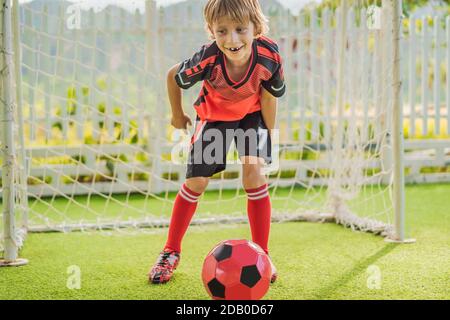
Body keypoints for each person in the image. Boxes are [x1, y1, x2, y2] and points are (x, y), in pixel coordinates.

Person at [149, 0, 286, 285]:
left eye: (240, 29)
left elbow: (269, 96)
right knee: (197, 181)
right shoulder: (208, 57)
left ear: (256, 28)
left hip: (251, 115)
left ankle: (262, 255)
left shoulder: (270, 55)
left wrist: (269, 135)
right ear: (211, 31)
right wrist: (177, 114)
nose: (232, 39)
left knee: (254, 174)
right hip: (215, 118)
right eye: (222, 31)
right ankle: (170, 251)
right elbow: (173, 76)